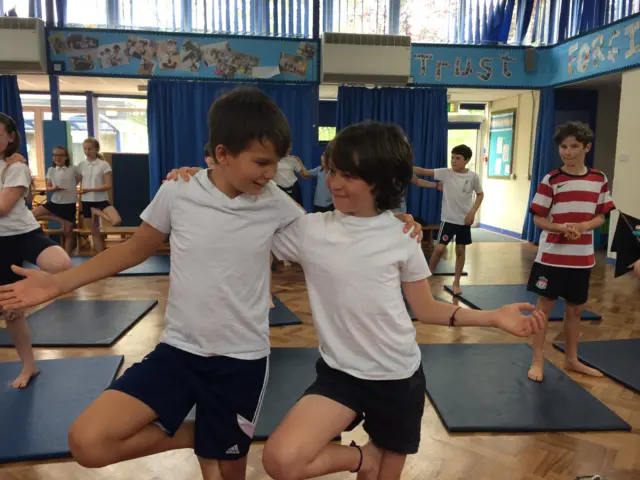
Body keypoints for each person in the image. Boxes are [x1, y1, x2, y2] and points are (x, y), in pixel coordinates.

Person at [0, 88, 421, 478]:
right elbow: (133, 250)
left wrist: (393, 220)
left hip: (241, 362)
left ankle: (214, 437)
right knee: (88, 443)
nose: (270, 173)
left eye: (276, 162)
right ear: (221, 154)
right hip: (178, 352)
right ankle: (196, 433)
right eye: (261, 163)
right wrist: (59, 284)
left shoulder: (277, 204)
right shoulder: (179, 191)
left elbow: (340, 232)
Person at [259, 122, 545, 480]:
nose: (334, 182)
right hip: (339, 375)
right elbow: (250, 211)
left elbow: (425, 309)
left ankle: (373, 464)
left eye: (349, 175)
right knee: (282, 460)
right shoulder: (310, 231)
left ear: (381, 180)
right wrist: (203, 179)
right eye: (333, 171)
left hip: (397, 377)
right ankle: (365, 458)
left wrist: (493, 317)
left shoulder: (402, 234)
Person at [526, 121, 615, 382]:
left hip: (582, 259)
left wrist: (582, 226)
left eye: (574, 146)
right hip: (551, 257)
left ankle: (572, 359)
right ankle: (537, 360)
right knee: (543, 309)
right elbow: (538, 219)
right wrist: (560, 228)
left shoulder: (599, 179)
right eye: (563, 147)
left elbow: (601, 216)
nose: (567, 152)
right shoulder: (551, 180)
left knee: (575, 310)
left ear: (586, 147)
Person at [0, 113, 72, 389]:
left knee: (61, 263)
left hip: (23, 234)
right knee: (12, 313)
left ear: (10, 138)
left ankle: (31, 289)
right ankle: (29, 366)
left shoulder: (15, 168)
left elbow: (3, 207)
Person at [413, 144, 483, 295]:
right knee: (439, 249)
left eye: (457, 158)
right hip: (448, 219)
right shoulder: (446, 173)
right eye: (452, 157)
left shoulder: (473, 177)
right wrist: (406, 167)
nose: (453, 161)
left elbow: (480, 194)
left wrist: (472, 212)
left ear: (467, 160)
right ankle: (427, 277)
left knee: (460, 250)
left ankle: (456, 282)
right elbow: (423, 172)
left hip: (464, 221)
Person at [31, 146, 81, 254]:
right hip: (54, 203)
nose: (57, 157)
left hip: (68, 204)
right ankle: (58, 219)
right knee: (32, 214)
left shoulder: (73, 168)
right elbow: (48, 187)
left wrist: (72, 186)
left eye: (60, 155)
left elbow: (79, 179)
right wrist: (54, 188)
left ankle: (67, 256)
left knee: (68, 232)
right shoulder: (51, 170)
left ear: (66, 157)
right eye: (55, 155)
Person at [77, 137, 121, 252]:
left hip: (101, 200)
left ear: (96, 149)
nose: (87, 151)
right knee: (94, 233)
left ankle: (96, 211)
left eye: (90, 149)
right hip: (86, 201)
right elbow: (75, 181)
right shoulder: (81, 165)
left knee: (116, 220)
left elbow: (108, 185)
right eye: (85, 149)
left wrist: (90, 190)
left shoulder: (104, 165)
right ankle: (99, 257)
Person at [303, 142, 334, 213]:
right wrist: (299, 162)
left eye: (324, 162)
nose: (322, 163)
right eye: (321, 162)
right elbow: (305, 173)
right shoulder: (319, 169)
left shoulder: (334, 172)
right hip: (317, 204)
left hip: (329, 205)